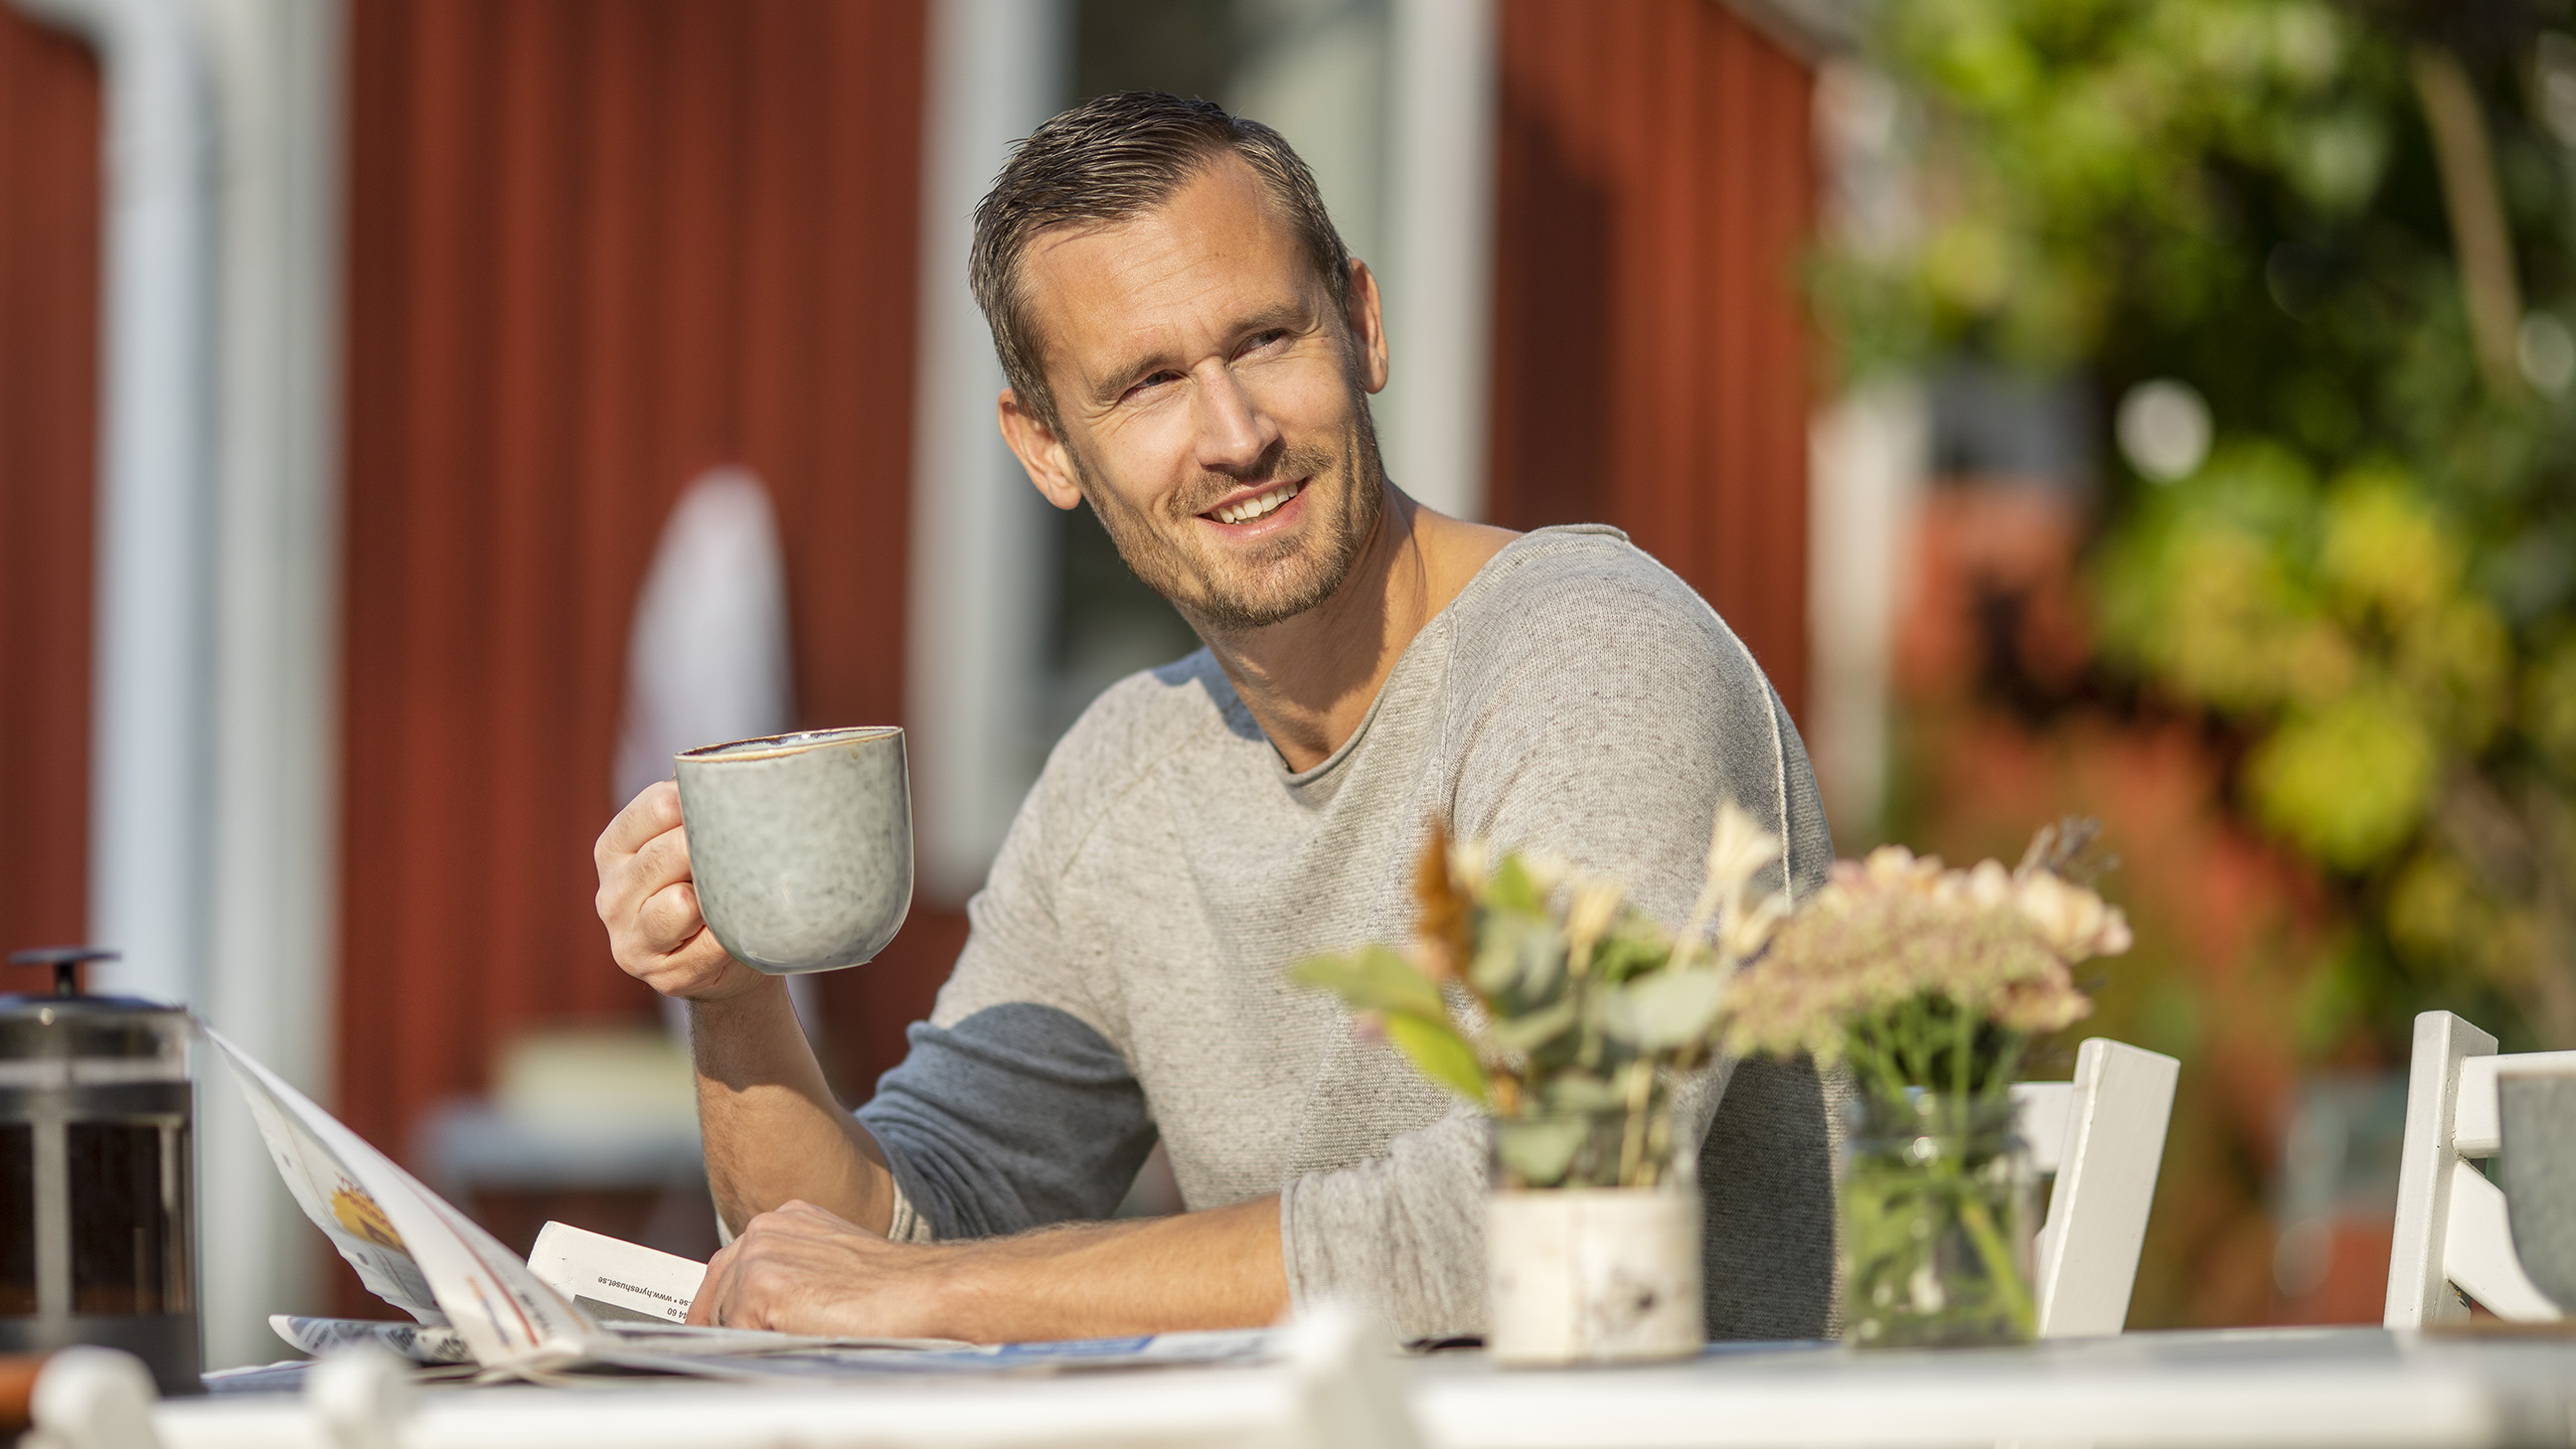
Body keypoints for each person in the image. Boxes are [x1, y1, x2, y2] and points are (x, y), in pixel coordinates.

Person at [593, 91, 1837, 1346]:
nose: (1235, 435)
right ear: (1045, 450)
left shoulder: (1596, 660)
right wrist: (732, 992)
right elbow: (871, 1249)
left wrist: (940, 1295)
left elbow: (1565, 1200)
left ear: (1360, 323)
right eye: (1146, 385)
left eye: (1264, 341)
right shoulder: (1127, 776)